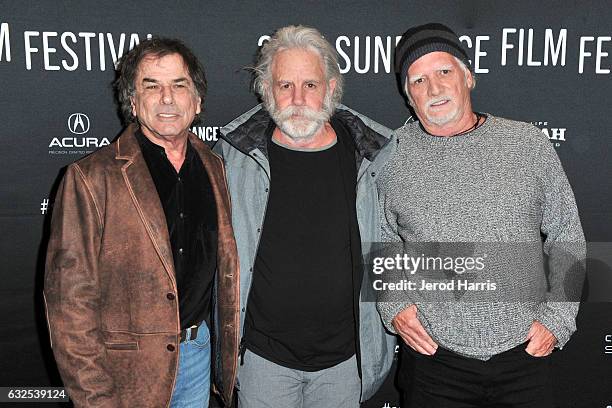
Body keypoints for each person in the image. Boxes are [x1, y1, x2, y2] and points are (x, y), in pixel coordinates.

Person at [376, 23, 586, 407]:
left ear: (468, 76)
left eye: (444, 72)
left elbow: (567, 234)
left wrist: (558, 318)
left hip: (525, 356)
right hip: (433, 363)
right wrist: (395, 303)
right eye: (418, 80)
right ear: (409, 97)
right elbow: (382, 238)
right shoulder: (391, 156)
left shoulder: (527, 144)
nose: (434, 88)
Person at [44, 37, 239, 407]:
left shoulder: (216, 167)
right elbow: (69, 305)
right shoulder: (90, 178)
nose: (167, 98)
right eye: (152, 85)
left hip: (198, 356)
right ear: (132, 102)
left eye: (179, 85)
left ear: (197, 101)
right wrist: (94, 396)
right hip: (125, 370)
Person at [214, 25, 395, 408]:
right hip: (263, 360)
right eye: (285, 86)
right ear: (267, 91)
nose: (298, 98)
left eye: (310, 85)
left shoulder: (378, 155)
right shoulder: (233, 156)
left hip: (345, 362)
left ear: (331, 89)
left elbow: (406, 244)